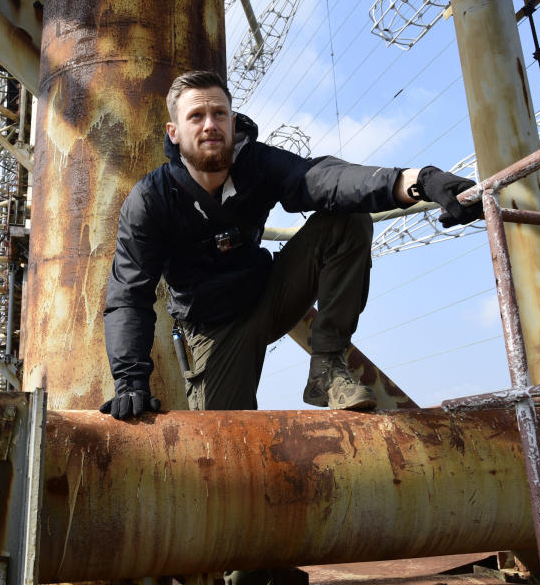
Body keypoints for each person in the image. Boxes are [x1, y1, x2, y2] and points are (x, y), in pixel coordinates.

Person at [100, 70, 480, 419]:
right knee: (224, 450)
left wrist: (419, 181)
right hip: (212, 328)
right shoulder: (151, 200)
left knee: (346, 218)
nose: (210, 125)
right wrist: (130, 381)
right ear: (174, 132)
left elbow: (322, 180)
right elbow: (129, 295)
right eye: (196, 117)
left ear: (233, 123)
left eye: (219, 114)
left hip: (267, 295)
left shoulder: (258, 164)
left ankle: (328, 367)